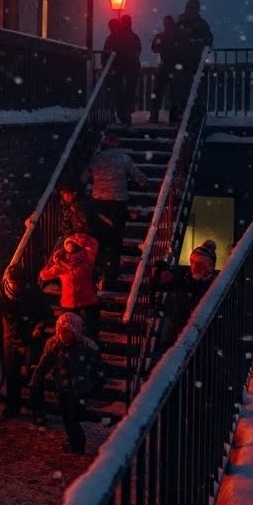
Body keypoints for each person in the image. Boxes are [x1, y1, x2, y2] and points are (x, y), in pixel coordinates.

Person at [0, 267, 54, 419]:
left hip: (31, 339)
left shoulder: (33, 292)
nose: (15, 286)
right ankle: (13, 406)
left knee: (34, 375)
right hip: (10, 338)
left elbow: (48, 314)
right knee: (11, 374)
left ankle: (37, 408)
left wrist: (40, 326)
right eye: (13, 282)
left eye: (19, 282)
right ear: (7, 281)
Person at [27, 311, 102, 454]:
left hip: (79, 388)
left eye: (68, 333)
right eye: (62, 332)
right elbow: (43, 365)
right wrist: (35, 381)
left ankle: (77, 445)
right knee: (67, 416)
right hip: (62, 387)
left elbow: (98, 368)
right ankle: (74, 437)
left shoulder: (88, 347)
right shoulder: (53, 344)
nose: (65, 337)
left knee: (72, 417)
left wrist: (94, 384)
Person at [82, 133, 149, 292]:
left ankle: (97, 268)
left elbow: (84, 177)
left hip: (99, 202)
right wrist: (142, 182)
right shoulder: (123, 158)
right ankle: (112, 271)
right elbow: (138, 176)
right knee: (116, 236)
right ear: (116, 145)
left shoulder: (96, 159)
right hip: (118, 202)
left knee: (99, 237)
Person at [154, 240, 220, 355]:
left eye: (200, 264)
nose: (195, 266)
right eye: (192, 262)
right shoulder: (186, 278)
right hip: (179, 335)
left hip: (201, 338)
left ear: (209, 267)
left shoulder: (215, 285)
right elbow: (171, 281)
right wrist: (163, 273)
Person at [39, 232, 100, 338]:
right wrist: (79, 237)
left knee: (68, 331)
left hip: (69, 303)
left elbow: (44, 276)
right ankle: (89, 347)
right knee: (90, 331)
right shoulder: (87, 260)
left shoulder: (60, 264)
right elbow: (94, 243)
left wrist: (48, 265)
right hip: (88, 300)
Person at [168, 0, 214, 121]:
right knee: (179, 91)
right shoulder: (181, 24)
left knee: (193, 90)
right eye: (190, 9)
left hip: (194, 63)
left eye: (193, 9)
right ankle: (179, 115)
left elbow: (208, 41)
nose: (191, 12)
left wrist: (197, 42)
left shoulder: (201, 25)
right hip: (181, 62)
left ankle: (192, 115)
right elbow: (172, 40)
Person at [104, 14, 142, 125]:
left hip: (120, 70)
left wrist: (108, 66)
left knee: (119, 93)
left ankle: (122, 115)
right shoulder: (134, 37)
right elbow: (137, 52)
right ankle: (125, 115)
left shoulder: (114, 37)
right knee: (127, 92)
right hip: (128, 70)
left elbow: (107, 53)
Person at [149, 15, 176, 124]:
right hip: (174, 68)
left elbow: (154, 48)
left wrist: (162, 46)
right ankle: (174, 118)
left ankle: (154, 116)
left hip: (165, 67)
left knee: (158, 93)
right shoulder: (176, 36)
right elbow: (154, 48)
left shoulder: (162, 36)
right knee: (174, 94)